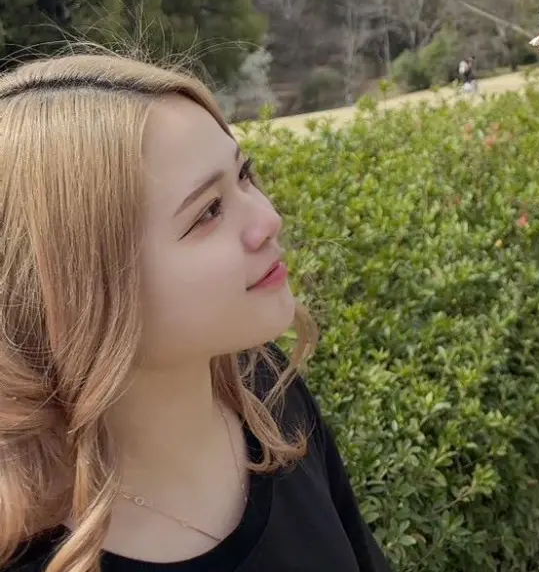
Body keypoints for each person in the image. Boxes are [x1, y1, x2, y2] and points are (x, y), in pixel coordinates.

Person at [0, 49, 393, 572]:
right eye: (208, 211)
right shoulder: (29, 552)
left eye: (245, 174)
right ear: (81, 287)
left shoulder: (268, 396)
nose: (268, 220)